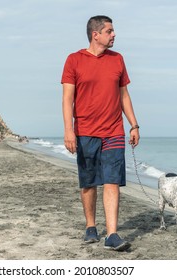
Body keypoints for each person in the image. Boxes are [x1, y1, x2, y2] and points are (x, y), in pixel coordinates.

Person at [61, 15, 140, 251]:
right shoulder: (74, 60)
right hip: (85, 131)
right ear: (96, 34)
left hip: (114, 130)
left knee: (112, 181)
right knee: (88, 183)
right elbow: (67, 99)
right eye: (110, 31)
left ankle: (112, 234)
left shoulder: (118, 60)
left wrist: (134, 125)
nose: (114, 35)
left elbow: (123, 95)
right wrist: (68, 131)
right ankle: (90, 226)